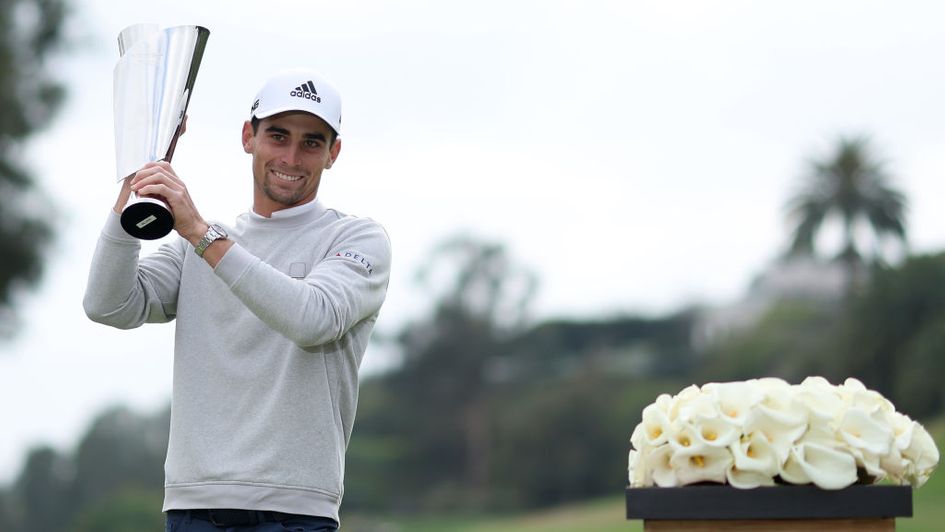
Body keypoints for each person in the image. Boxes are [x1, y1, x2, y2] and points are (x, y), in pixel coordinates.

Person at [84, 68, 391, 531]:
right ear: (249, 137)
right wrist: (133, 185)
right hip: (193, 507)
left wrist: (200, 234)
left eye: (311, 142)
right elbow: (108, 304)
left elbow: (311, 319)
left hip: (297, 511)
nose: (291, 156)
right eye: (278, 135)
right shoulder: (200, 246)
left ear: (334, 154)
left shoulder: (356, 238)